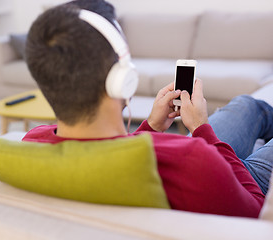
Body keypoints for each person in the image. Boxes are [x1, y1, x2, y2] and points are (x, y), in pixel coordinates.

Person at [22, 0, 273, 218]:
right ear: (122, 79)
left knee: (245, 105)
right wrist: (201, 129)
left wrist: (151, 127)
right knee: (247, 111)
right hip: (226, 183)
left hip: (204, 177)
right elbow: (257, 211)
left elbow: (108, 149)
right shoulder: (193, 157)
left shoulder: (32, 143)